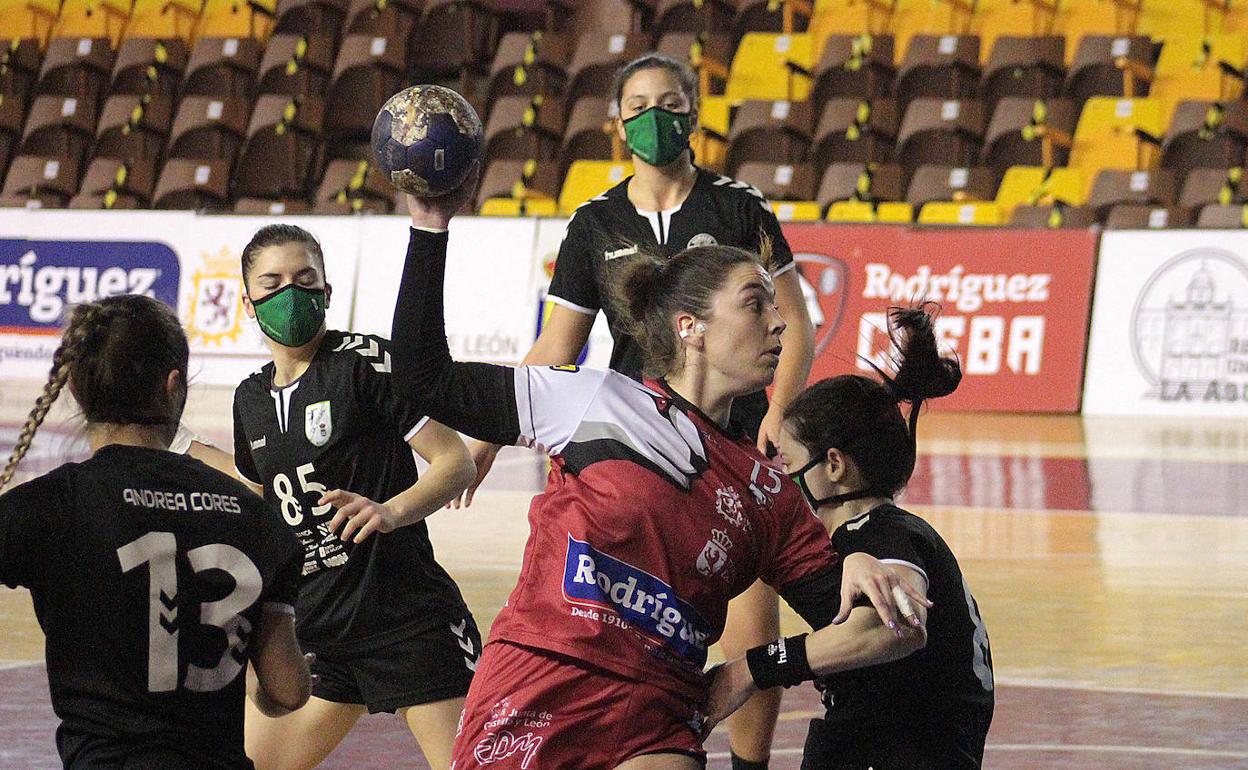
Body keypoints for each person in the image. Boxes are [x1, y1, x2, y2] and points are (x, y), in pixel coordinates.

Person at [389, 177, 928, 770]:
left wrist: (848, 565)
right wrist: (429, 224)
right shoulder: (587, 400)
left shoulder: (768, 492)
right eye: (756, 304)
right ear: (689, 327)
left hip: (657, 717)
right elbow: (426, 381)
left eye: (776, 308)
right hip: (539, 680)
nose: (779, 323)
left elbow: (888, 629)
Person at [458, 52, 817, 769]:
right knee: (626, 624)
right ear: (616, 123)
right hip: (633, 447)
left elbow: (796, 322)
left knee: (754, 619)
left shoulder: (738, 206)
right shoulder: (595, 224)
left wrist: (781, 410)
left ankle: (749, 765)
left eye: (671, 101)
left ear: (695, 111)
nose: (657, 117)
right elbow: (558, 344)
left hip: (737, 445)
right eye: (640, 104)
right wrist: (489, 439)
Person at [0, 294, 312, 769]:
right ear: (173, 387)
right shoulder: (257, 518)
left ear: (77, 391)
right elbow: (287, 691)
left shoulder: (51, 506)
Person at [230, 224, 479, 770]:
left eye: (304, 279)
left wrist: (391, 511)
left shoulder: (363, 363)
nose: (290, 293)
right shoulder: (249, 400)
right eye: (271, 283)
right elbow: (256, 504)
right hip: (316, 635)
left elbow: (454, 462)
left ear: (327, 291)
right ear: (248, 302)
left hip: (407, 623)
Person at [718, 305, 995, 768]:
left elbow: (897, 628)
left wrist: (755, 668)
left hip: (899, 751)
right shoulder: (867, 536)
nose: (780, 479)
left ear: (832, 466)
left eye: (787, 464)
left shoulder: (884, 534)